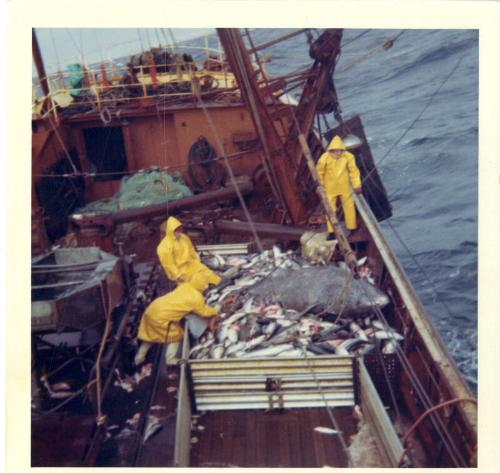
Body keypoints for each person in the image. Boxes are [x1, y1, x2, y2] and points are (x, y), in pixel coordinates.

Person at [134, 272, 219, 366]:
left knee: (150, 335)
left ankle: (139, 358)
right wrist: (215, 310)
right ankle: (170, 359)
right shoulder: (196, 298)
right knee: (176, 336)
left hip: (152, 309)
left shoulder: (185, 286)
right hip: (161, 318)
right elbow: (204, 312)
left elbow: (181, 283)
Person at [316, 135, 362, 233]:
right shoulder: (324, 158)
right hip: (330, 189)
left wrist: (357, 185)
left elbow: (354, 171)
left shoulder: (348, 156)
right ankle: (331, 231)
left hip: (344, 187)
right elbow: (319, 173)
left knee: (349, 206)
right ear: (331, 150)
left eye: (340, 150)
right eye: (336, 150)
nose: (339, 153)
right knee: (330, 209)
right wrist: (321, 186)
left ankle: (352, 227)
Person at [157, 216, 221, 287]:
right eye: (176, 229)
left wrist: (197, 260)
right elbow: (169, 265)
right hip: (181, 271)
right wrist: (178, 275)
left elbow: (191, 250)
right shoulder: (164, 247)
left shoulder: (184, 237)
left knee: (212, 277)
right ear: (170, 230)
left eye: (179, 228)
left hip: (192, 264)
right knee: (194, 287)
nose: (178, 231)